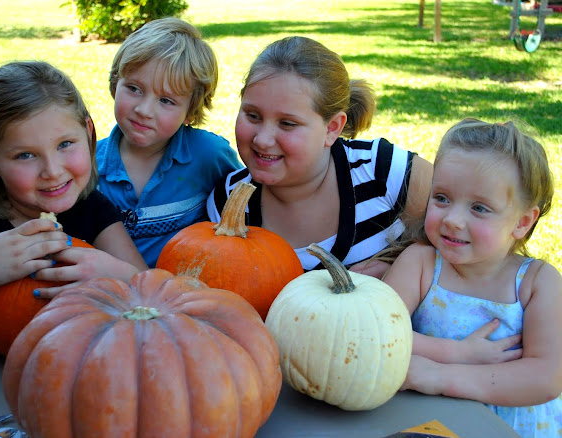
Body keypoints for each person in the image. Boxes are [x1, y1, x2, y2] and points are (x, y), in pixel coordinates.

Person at [0, 60, 148, 357]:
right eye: (25, 155)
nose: (52, 171)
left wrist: (120, 275)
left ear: (89, 133)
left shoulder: (92, 210)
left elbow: (160, 299)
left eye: (65, 144)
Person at [383, 118, 562, 437]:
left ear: (522, 222)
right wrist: (456, 354)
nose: (453, 219)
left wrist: (439, 376)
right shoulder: (421, 264)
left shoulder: (537, 282)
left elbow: (545, 377)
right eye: (442, 198)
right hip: (425, 420)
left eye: (479, 208)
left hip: (510, 427)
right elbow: (375, 332)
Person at [206, 36, 433, 276]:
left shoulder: (386, 173)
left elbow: (457, 242)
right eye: (253, 116)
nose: (262, 139)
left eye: (287, 123)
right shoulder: (228, 205)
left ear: (332, 128)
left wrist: (401, 266)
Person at [96, 17, 242, 268]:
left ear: (190, 112)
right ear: (115, 84)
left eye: (166, 101)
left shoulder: (208, 155)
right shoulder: (88, 164)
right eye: (134, 88)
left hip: (183, 286)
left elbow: (243, 201)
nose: (144, 110)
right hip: (101, 286)